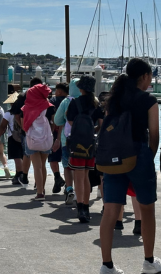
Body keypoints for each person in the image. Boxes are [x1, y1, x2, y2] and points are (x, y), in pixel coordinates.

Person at [99, 58, 161, 274]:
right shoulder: (149, 100)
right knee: (147, 209)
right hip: (138, 155)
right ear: (145, 76)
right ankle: (148, 261)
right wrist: (149, 157)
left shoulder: (114, 99)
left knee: (110, 210)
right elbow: (154, 135)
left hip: (114, 157)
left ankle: (107, 265)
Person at [66, 75, 103, 222]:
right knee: (87, 176)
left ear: (80, 88)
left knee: (78, 177)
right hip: (90, 144)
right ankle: (86, 208)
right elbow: (101, 124)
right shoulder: (96, 104)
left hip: (77, 144)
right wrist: (92, 131)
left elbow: (70, 121)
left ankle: (80, 207)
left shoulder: (75, 103)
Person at [22, 82, 54, 200]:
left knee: (37, 167)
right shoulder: (49, 106)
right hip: (46, 139)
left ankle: (40, 193)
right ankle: (42, 188)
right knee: (43, 165)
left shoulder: (27, 107)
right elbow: (53, 123)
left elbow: (24, 124)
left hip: (33, 140)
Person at [55, 79, 81, 205]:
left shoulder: (66, 101)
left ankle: (69, 188)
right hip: (86, 140)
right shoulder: (91, 100)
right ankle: (79, 192)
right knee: (81, 167)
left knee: (67, 166)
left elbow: (57, 120)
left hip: (67, 140)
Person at [49, 82, 69, 194]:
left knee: (53, 158)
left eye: (56, 90)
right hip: (68, 135)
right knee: (67, 162)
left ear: (60, 91)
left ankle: (57, 177)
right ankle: (68, 184)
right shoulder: (70, 101)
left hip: (55, 133)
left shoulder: (53, 101)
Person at [0, 92, 23, 180]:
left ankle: (19, 174)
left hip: (13, 136)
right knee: (24, 156)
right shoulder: (24, 111)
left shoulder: (9, 113)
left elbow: (2, 126)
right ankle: (23, 173)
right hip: (24, 135)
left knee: (17, 157)